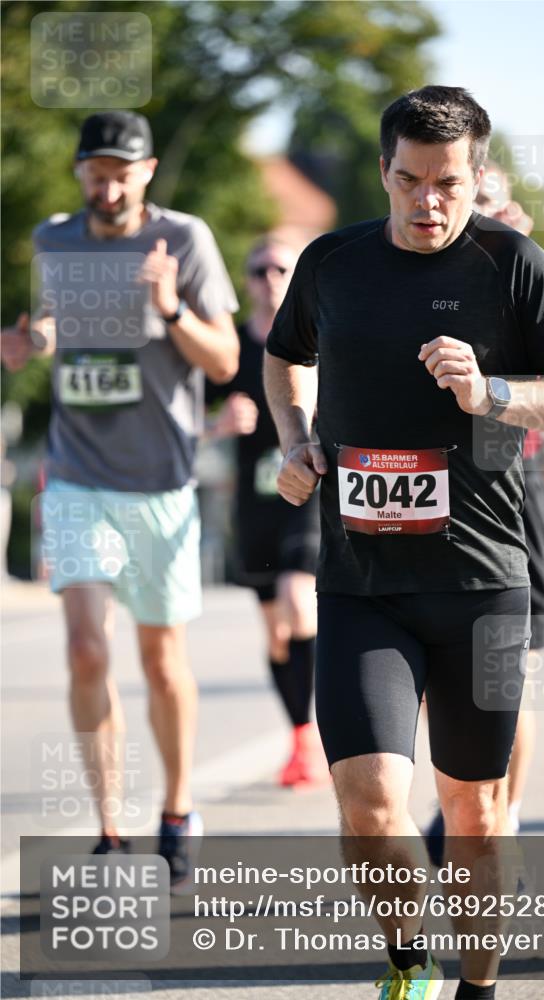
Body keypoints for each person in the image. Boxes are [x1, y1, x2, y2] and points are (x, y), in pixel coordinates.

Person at [264, 86, 544, 1000]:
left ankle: (479, 987)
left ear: (477, 178)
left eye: (448, 184)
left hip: (485, 588)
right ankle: (408, 962)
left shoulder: (513, 265)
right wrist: (294, 438)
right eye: (410, 181)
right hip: (360, 584)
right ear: (383, 172)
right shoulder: (331, 264)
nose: (429, 202)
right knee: (372, 805)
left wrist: (491, 394)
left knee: (474, 812)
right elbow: (281, 352)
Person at [1, 111, 240, 887]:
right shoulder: (54, 239)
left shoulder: (186, 240)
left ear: (147, 171)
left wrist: (170, 308)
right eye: (95, 173)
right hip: (76, 475)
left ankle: (176, 806)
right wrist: (29, 342)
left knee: (161, 659)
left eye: (121, 173)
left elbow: (227, 357)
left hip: (160, 482)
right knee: (84, 647)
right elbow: (48, 325)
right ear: (80, 174)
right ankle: (110, 828)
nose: (108, 187)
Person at [424, 165, 544, 865]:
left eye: (480, 205)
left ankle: (501, 819)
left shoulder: (524, 281)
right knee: (440, 672)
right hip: (437, 488)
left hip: (508, 487)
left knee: (504, 674)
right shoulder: (423, 275)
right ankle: (466, 803)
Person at [206, 234, 327, 787]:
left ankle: (328, 731)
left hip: (306, 494)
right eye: (259, 270)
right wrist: (219, 425)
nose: (270, 278)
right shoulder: (229, 350)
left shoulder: (316, 335)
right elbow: (180, 414)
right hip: (255, 506)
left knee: (300, 604)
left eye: (281, 268)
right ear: (246, 279)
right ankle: (301, 737)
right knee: (277, 632)